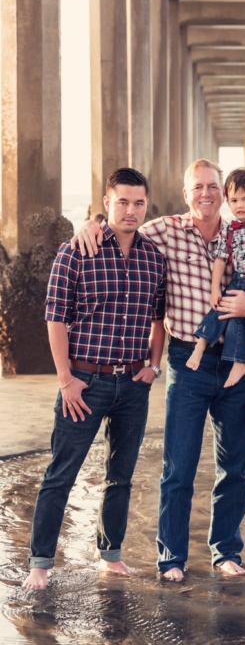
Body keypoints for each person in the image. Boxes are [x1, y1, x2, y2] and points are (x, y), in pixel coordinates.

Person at [75, 159, 245, 582]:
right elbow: (122, 225)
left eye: (213, 186)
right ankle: (172, 558)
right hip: (186, 360)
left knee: (234, 465)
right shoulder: (163, 231)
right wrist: (90, 223)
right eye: (197, 187)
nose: (206, 194)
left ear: (224, 190)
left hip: (237, 361)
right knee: (178, 466)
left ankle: (226, 551)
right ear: (185, 193)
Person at [23, 168, 165, 590]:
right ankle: (40, 564)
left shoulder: (154, 258)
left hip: (133, 385)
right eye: (122, 201)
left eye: (139, 202)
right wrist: (66, 379)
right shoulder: (75, 251)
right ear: (106, 203)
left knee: (120, 476)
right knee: (61, 474)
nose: (131, 210)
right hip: (84, 382)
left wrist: (153, 366)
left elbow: (160, 317)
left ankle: (111, 556)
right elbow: (55, 318)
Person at [186, 168, 245, 388]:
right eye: (234, 200)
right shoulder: (229, 229)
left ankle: (239, 362)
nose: (240, 205)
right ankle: (200, 345)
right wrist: (214, 290)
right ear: (227, 202)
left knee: (237, 317)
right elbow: (220, 260)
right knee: (220, 308)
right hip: (238, 279)